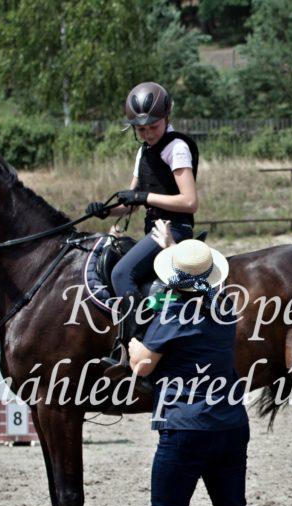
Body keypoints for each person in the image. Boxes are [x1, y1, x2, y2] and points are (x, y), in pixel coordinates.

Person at [127, 237, 290, 506]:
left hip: (184, 425)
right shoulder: (224, 308)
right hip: (230, 423)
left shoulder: (172, 315)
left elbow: (143, 365)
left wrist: (135, 340)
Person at [88, 82, 199, 372]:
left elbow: (190, 202)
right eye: (141, 129)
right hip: (154, 231)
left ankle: (138, 347)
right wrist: (106, 210)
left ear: (167, 116)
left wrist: (143, 197)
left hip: (175, 230)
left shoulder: (176, 148)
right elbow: (132, 202)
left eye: (153, 126)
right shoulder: (143, 152)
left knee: (121, 273)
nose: (148, 134)